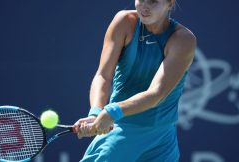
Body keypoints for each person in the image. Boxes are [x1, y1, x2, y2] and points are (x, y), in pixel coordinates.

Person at [73, 0, 196, 161]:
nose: (144, 5)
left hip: (162, 142)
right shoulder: (124, 22)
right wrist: (96, 112)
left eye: (153, 1)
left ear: (170, 4)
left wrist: (112, 111)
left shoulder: (183, 40)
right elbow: (103, 75)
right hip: (121, 129)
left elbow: (156, 93)